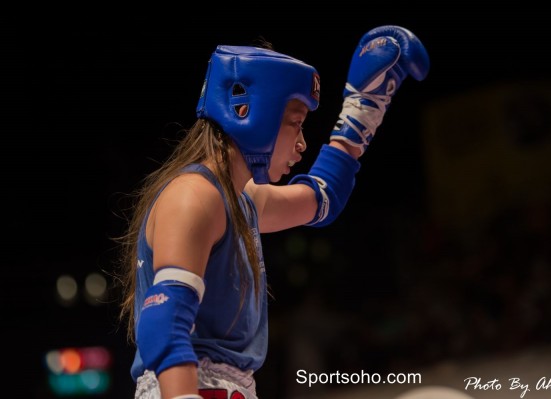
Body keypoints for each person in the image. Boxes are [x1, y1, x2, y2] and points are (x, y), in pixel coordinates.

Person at [116, 25, 430, 399]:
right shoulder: (194, 196)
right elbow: (163, 322)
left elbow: (321, 199)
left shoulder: (239, 199)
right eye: (295, 123)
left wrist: (363, 108)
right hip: (188, 387)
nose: (301, 144)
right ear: (248, 111)